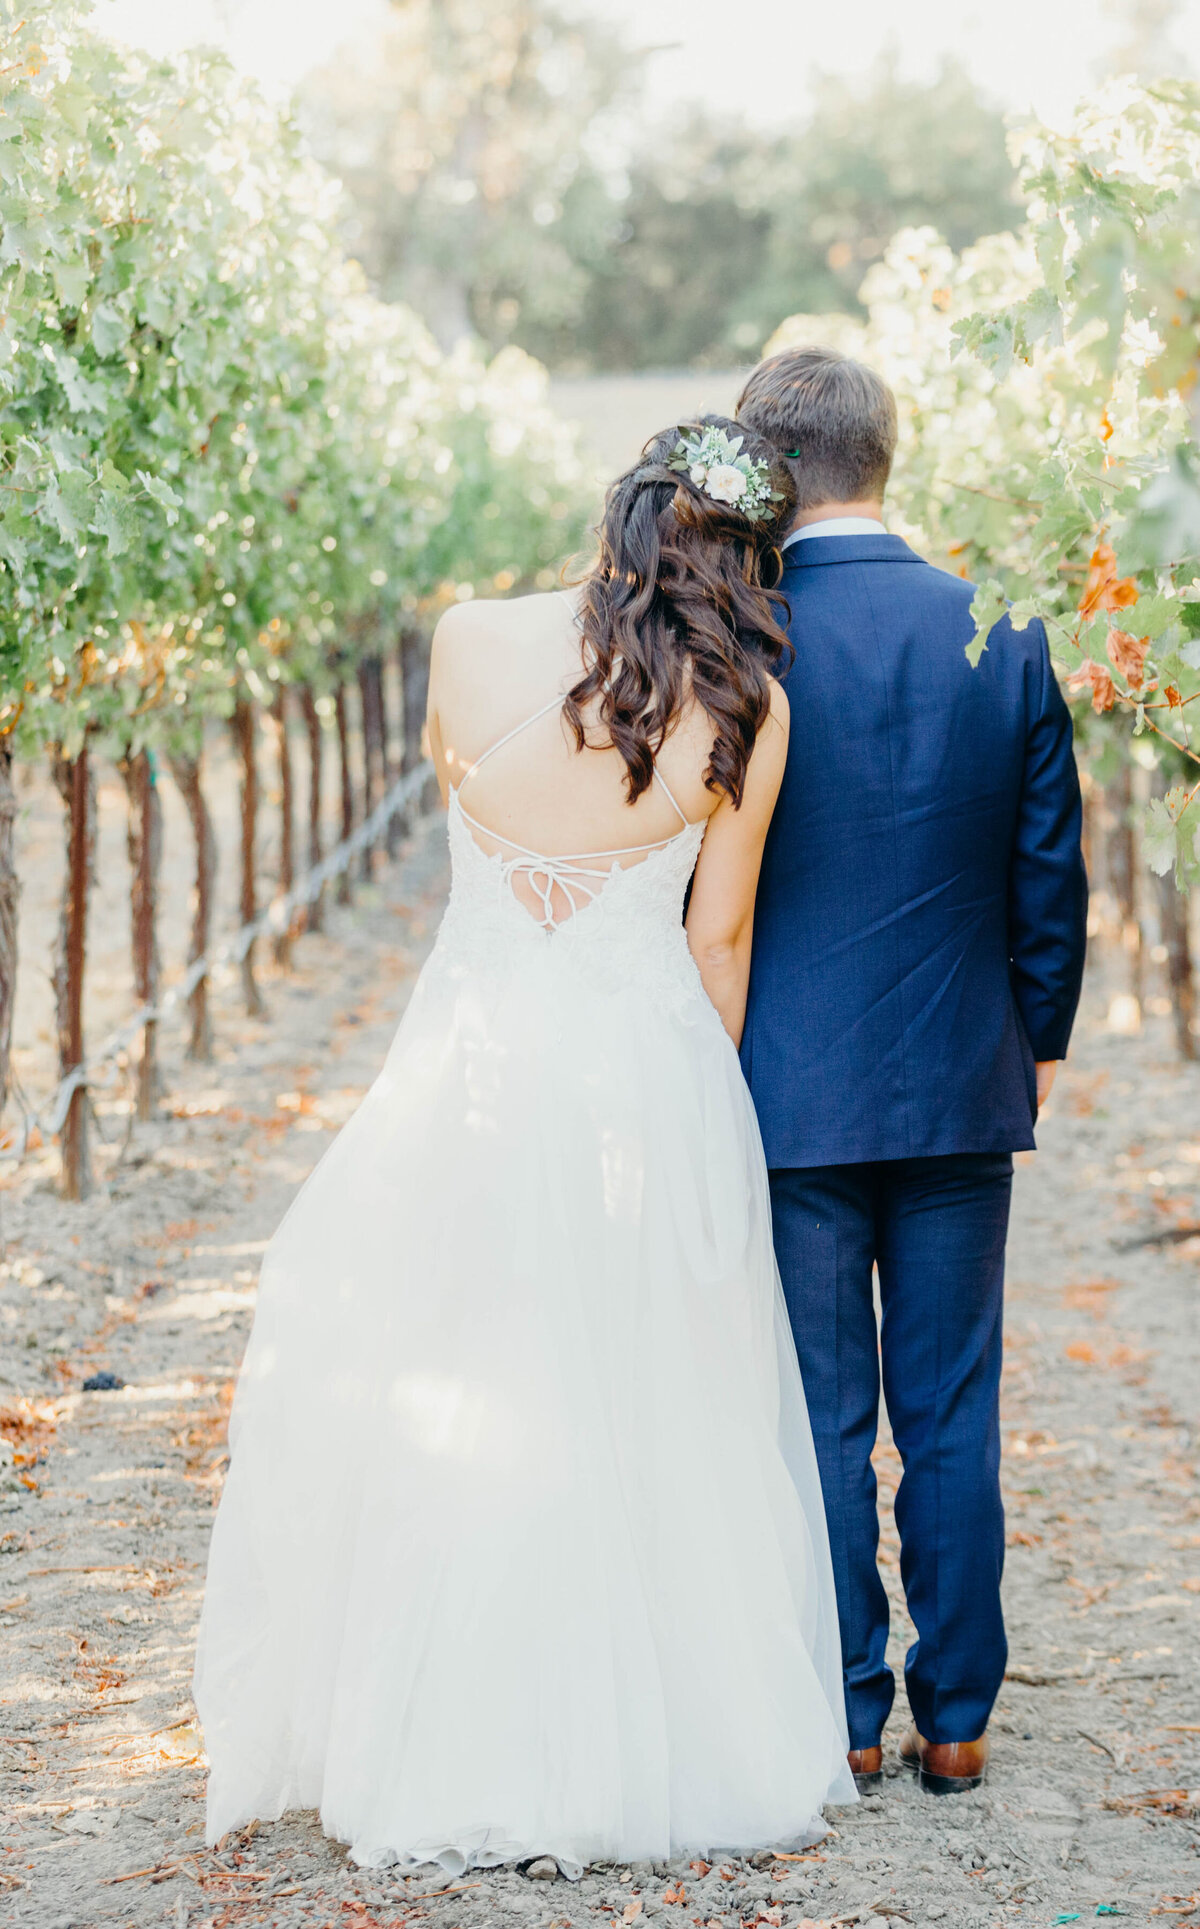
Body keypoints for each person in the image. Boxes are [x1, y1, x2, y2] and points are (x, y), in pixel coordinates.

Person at [193, 416, 857, 1877]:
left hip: (474, 1067)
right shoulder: (751, 701)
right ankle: (640, 1737)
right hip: (645, 1071)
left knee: (469, 1378)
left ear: (615, 511)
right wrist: (707, 1112)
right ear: (744, 559)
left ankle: (443, 1731)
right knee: (642, 1394)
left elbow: (467, 812)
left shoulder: (468, 638)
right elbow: (720, 939)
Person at [736, 347, 1088, 1796]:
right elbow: (1047, 872)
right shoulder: (994, 632)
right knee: (950, 1407)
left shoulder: (734, 640)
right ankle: (961, 1717)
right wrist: (1041, 1041)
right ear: (894, 455)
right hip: (960, 1081)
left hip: (787, 1095)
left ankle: (849, 1712)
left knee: (817, 1413)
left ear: (772, 472)